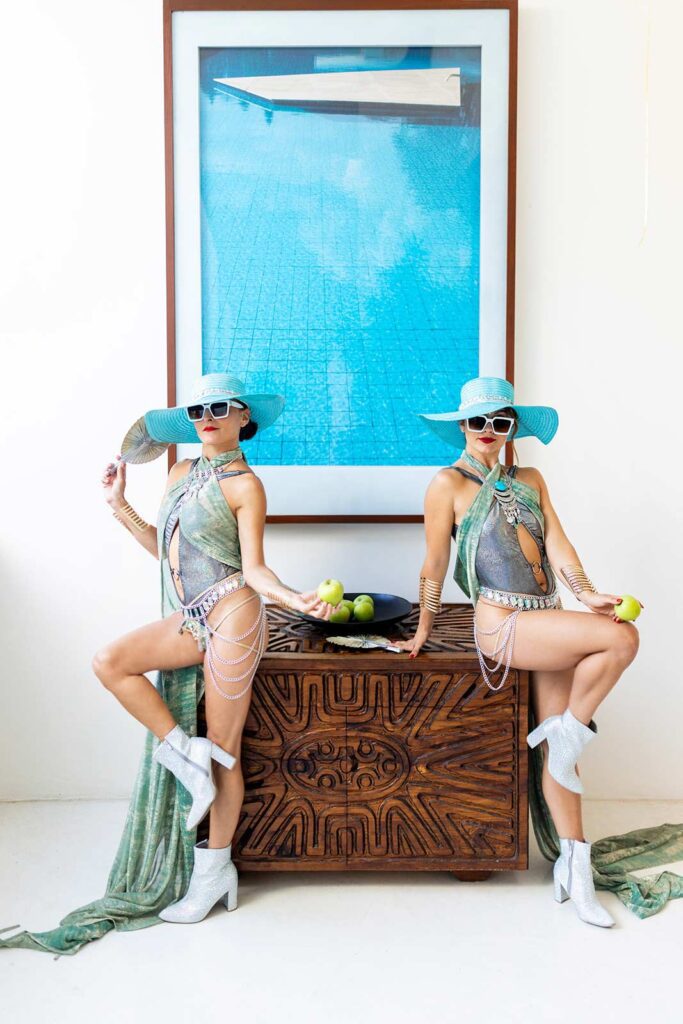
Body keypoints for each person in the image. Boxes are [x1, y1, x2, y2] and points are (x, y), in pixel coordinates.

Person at [0, 372, 333, 955]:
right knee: (111, 662)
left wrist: (291, 598)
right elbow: (165, 552)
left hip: (235, 616)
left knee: (226, 752)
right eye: (199, 410)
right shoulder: (179, 473)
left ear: (243, 418)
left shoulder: (246, 485)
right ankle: (184, 753)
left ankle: (213, 874)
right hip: (192, 616)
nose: (207, 418)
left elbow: (254, 569)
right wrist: (118, 505)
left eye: (220, 409)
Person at [395, 375, 647, 927]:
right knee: (621, 638)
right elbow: (434, 563)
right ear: (462, 426)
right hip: (502, 623)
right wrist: (422, 629)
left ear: (512, 428)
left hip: (546, 616)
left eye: (500, 421)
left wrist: (587, 594)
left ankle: (574, 869)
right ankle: (570, 731)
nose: (488, 430)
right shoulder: (446, 484)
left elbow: (558, 542)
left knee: (563, 749)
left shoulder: (530, 478)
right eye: (478, 421)